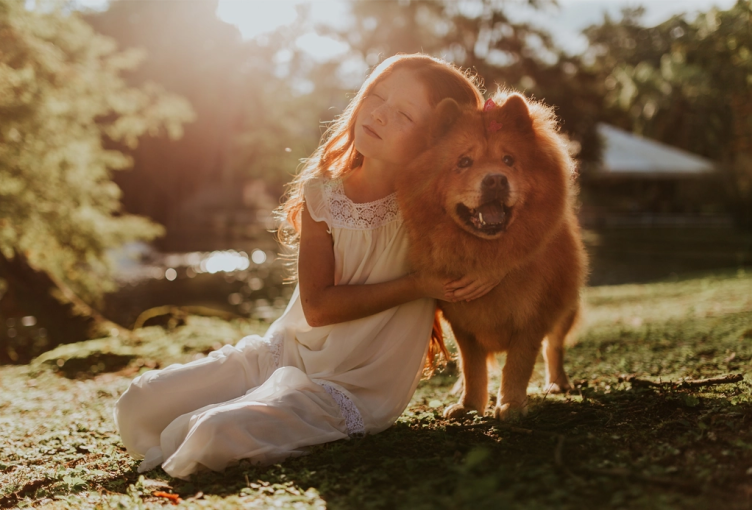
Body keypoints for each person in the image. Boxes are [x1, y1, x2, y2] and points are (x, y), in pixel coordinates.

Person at [113, 53, 501, 479]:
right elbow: (317, 308)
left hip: (355, 385)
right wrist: (419, 285)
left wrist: (489, 271)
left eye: (404, 114)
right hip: (287, 352)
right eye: (377, 95)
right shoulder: (323, 194)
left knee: (212, 433)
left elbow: (510, 238)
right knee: (140, 402)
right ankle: (229, 407)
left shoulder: (437, 208)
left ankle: (230, 420)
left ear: (437, 139)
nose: (380, 114)